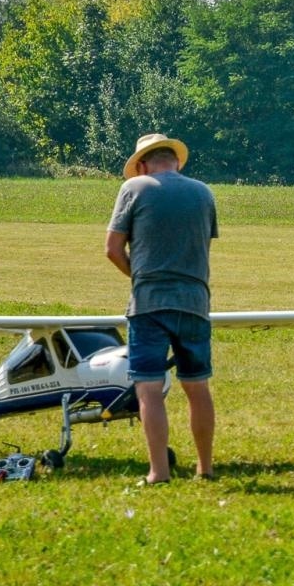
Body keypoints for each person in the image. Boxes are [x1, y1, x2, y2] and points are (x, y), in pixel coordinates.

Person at [105, 133, 218, 484]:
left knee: (149, 388)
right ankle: (205, 468)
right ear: (177, 162)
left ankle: (159, 471)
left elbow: (112, 249)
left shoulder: (134, 188)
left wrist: (139, 276)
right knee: (197, 387)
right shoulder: (203, 192)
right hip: (195, 301)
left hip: (149, 304)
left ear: (142, 165)